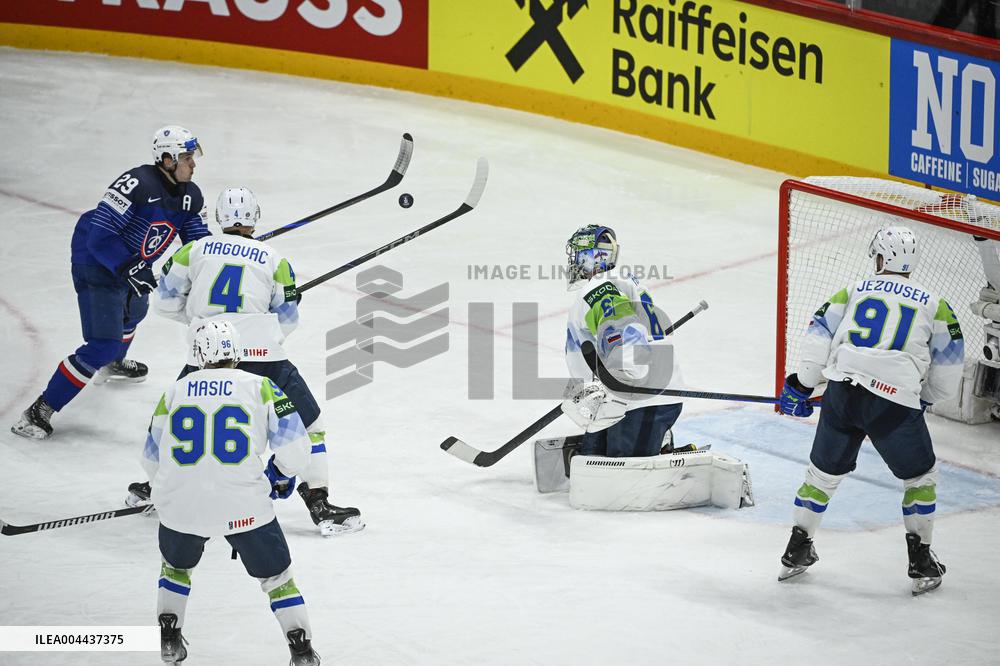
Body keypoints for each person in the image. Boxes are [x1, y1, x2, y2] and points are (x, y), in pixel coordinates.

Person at [130, 186, 363, 536]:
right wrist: (257, 330)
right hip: (266, 359)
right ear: (255, 217)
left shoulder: (194, 250)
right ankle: (319, 503)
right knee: (309, 425)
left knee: (174, 418)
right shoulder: (274, 259)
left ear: (219, 218)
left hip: (205, 356)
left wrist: (202, 322)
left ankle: (156, 487)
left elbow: (164, 302)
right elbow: (288, 320)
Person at [777, 226, 964, 596]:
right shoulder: (935, 304)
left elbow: (817, 334)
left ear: (880, 257)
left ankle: (796, 550)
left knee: (821, 476)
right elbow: (949, 367)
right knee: (920, 478)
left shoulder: (854, 289)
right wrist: (924, 398)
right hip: (893, 403)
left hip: (842, 394)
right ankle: (921, 561)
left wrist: (802, 384)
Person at [11, 125, 210, 440]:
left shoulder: (191, 196)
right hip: (97, 261)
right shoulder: (136, 183)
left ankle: (113, 363)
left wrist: (226, 251)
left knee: (135, 312)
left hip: (131, 262)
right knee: (102, 344)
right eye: (187, 158)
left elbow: (198, 243)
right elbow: (100, 236)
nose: (193, 164)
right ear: (167, 159)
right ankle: (39, 411)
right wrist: (130, 266)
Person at [142, 320, 321, 665]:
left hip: (181, 507)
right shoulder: (262, 386)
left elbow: (150, 459)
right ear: (237, 351)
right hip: (245, 506)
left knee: (175, 569)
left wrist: (171, 490)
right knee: (278, 579)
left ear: (198, 354)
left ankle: (169, 636)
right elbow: (297, 452)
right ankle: (300, 650)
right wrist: (279, 475)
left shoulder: (174, 392)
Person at [560, 224, 684, 456]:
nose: (574, 261)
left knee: (615, 472)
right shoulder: (625, 281)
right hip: (630, 398)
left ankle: (656, 450)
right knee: (593, 458)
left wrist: (622, 380)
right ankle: (660, 444)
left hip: (635, 400)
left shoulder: (599, 289)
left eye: (578, 254)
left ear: (593, 257)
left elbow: (625, 332)